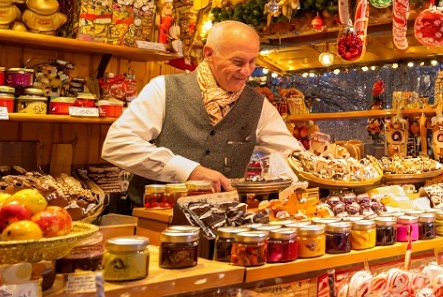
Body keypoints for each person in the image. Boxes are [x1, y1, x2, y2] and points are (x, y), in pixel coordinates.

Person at [103, 20, 301, 208]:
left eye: (252, 61)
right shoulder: (164, 89)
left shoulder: (259, 106)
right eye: (238, 61)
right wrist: (187, 170)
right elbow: (117, 144)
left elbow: (294, 156)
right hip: (154, 219)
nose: (246, 71)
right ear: (209, 54)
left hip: (224, 222)